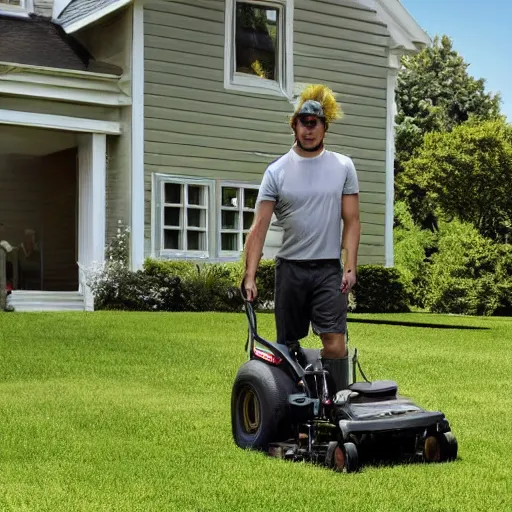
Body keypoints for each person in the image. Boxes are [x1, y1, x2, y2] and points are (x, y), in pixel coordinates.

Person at [243, 84, 361, 394]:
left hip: (327, 271)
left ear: (324, 127)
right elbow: (259, 227)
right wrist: (250, 275)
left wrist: (350, 266)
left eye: (314, 124)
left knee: (335, 345)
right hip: (291, 270)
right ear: (294, 125)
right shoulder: (277, 172)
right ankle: (292, 407)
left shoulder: (343, 167)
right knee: (287, 347)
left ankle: (335, 405)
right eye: (302, 123)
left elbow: (352, 220)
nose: (308, 130)